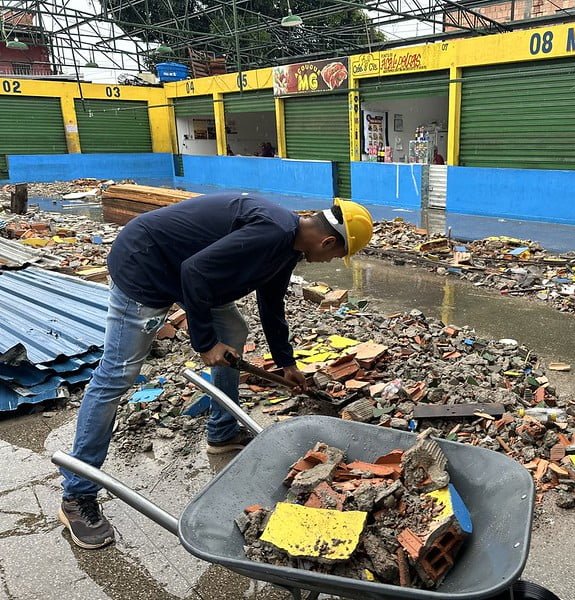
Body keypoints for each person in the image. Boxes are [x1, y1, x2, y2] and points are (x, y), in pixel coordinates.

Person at [57, 193, 373, 549]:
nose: (329, 260)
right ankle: (77, 494)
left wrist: (286, 363)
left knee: (235, 332)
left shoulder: (288, 245)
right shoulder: (271, 231)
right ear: (328, 241)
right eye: (335, 255)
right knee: (116, 377)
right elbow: (192, 270)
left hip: (189, 273)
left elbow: (271, 305)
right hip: (145, 265)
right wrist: (206, 344)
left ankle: (222, 432)